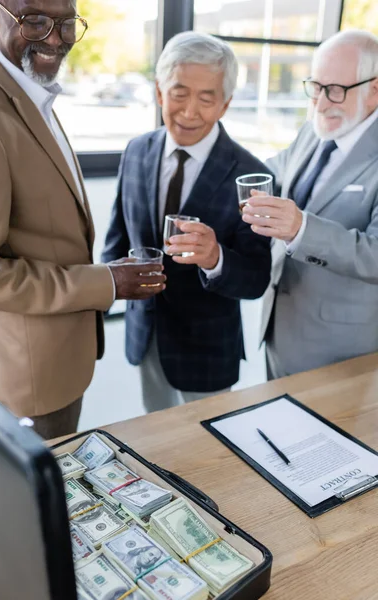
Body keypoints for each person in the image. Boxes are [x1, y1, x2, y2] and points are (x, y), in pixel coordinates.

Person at [0, 0, 166, 439]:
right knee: (40, 503)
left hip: (54, 362)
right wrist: (108, 283)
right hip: (28, 381)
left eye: (67, 23)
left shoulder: (26, 89)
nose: (57, 40)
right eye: (36, 21)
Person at [101, 31, 271, 412]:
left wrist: (215, 257)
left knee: (208, 460)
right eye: (178, 94)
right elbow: (116, 239)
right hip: (145, 338)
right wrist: (100, 292)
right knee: (156, 450)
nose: (190, 111)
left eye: (206, 98)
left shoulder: (250, 173)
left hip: (208, 352)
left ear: (225, 104)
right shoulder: (136, 151)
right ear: (160, 93)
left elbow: (257, 277)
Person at [241, 30, 378, 379]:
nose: (319, 102)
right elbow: (270, 173)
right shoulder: (314, 129)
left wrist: (302, 229)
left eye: (335, 90)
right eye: (315, 86)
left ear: (375, 89)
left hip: (341, 350)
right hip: (280, 333)